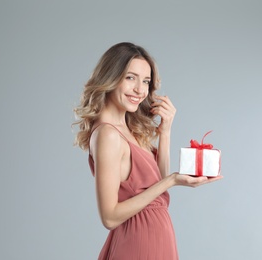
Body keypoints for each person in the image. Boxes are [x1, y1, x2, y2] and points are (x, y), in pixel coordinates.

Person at [74, 42, 223, 259]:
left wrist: (166, 132)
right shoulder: (107, 134)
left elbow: (158, 190)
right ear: (110, 78)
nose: (140, 90)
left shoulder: (126, 129)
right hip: (136, 245)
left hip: (154, 241)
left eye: (146, 81)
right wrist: (172, 180)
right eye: (130, 78)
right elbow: (109, 217)